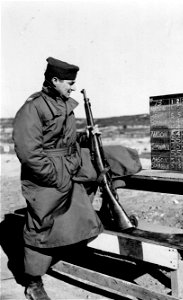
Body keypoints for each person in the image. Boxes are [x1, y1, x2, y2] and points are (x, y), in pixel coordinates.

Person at [12, 57, 104, 300]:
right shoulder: (33, 107)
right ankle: (33, 282)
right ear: (54, 80)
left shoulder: (62, 103)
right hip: (46, 176)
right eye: (69, 83)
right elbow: (28, 152)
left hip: (67, 167)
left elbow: (65, 139)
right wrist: (53, 176)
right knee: (40, 225)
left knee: (111, 163)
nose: (72, 87)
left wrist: (86, 136)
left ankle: (105, 214)